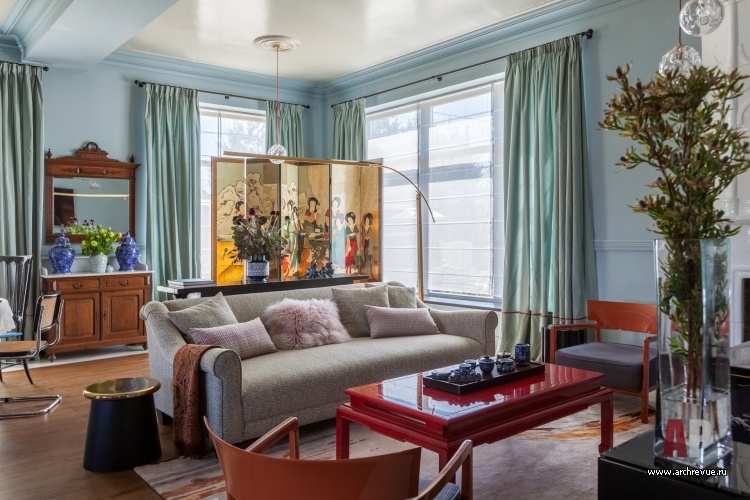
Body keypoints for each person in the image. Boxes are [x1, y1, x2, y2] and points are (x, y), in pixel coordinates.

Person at [361, 213, 374, 278]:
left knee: (368, 259)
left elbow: (370, 239)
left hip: (368, 246)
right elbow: (362, 237)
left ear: (370, 221)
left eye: (368, 220)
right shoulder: (363, 228)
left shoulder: (370, 229)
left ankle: (368, 274)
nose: (367, 221)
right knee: (364, 259)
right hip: (364, 245)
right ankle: (365, 274)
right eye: (366, 220)